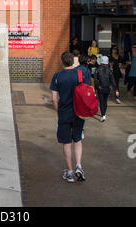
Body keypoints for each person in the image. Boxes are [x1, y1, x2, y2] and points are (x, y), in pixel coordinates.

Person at [50, 52, 86, 183]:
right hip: (79, 113)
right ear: (73, 62)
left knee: (66, 142)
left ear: (62, 62)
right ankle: (79, 166)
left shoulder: (57, 76)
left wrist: (59, 111)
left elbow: (54, 98)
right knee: (77, 139)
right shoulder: (80, 75)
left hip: (64, 113)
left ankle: (70, 172)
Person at [94, 56, 118, 122]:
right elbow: (113, 80)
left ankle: (103, 115)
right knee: (105, 101)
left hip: (100, 88)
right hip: (107, 88)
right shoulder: (110, 70)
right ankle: (104, 114)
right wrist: (115, 89)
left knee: (101, 102)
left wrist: (98, 87)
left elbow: (95, 80)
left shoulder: (97, 70)